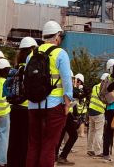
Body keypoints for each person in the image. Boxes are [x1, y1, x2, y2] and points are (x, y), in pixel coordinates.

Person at [26, 21, 73, 167]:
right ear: (57, 36)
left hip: (33, 105)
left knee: (33, 144)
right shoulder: (60, 53)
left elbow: (25, 80)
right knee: (49, 144)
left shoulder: (31, 55)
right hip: (54, 106)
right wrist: (68, 103)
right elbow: (67, 81)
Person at [7, 37, 37, 167]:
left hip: (14, 107)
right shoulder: (31, 68)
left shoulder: (16, 67)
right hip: (27, 108)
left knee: (13, 140)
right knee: (25, 141)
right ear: (32, 49)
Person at [56, 73, 83, 165]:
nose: (73, 81)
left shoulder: (59, 85)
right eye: (72, 79)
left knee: (60, 135)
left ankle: (55, 156)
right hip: (65, 114)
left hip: (62, 113)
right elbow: (74, 94)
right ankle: (62, 156)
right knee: (73, 135)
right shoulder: (67, 87)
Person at [100, 59, 114, 162]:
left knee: (110, 131)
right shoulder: (109, 79)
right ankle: (106, 153)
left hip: (113, 108)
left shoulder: (111, 78)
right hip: (113, 108)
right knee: (109, 131)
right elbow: (106, 93)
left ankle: (108, 153)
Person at [87, 73, 108, 157]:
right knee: (99, 132)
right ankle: (98, 151)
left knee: (91, 131)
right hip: (99, 111)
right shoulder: (106, 88)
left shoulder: (95, 86)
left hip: (91, 110)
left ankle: (89, 149)